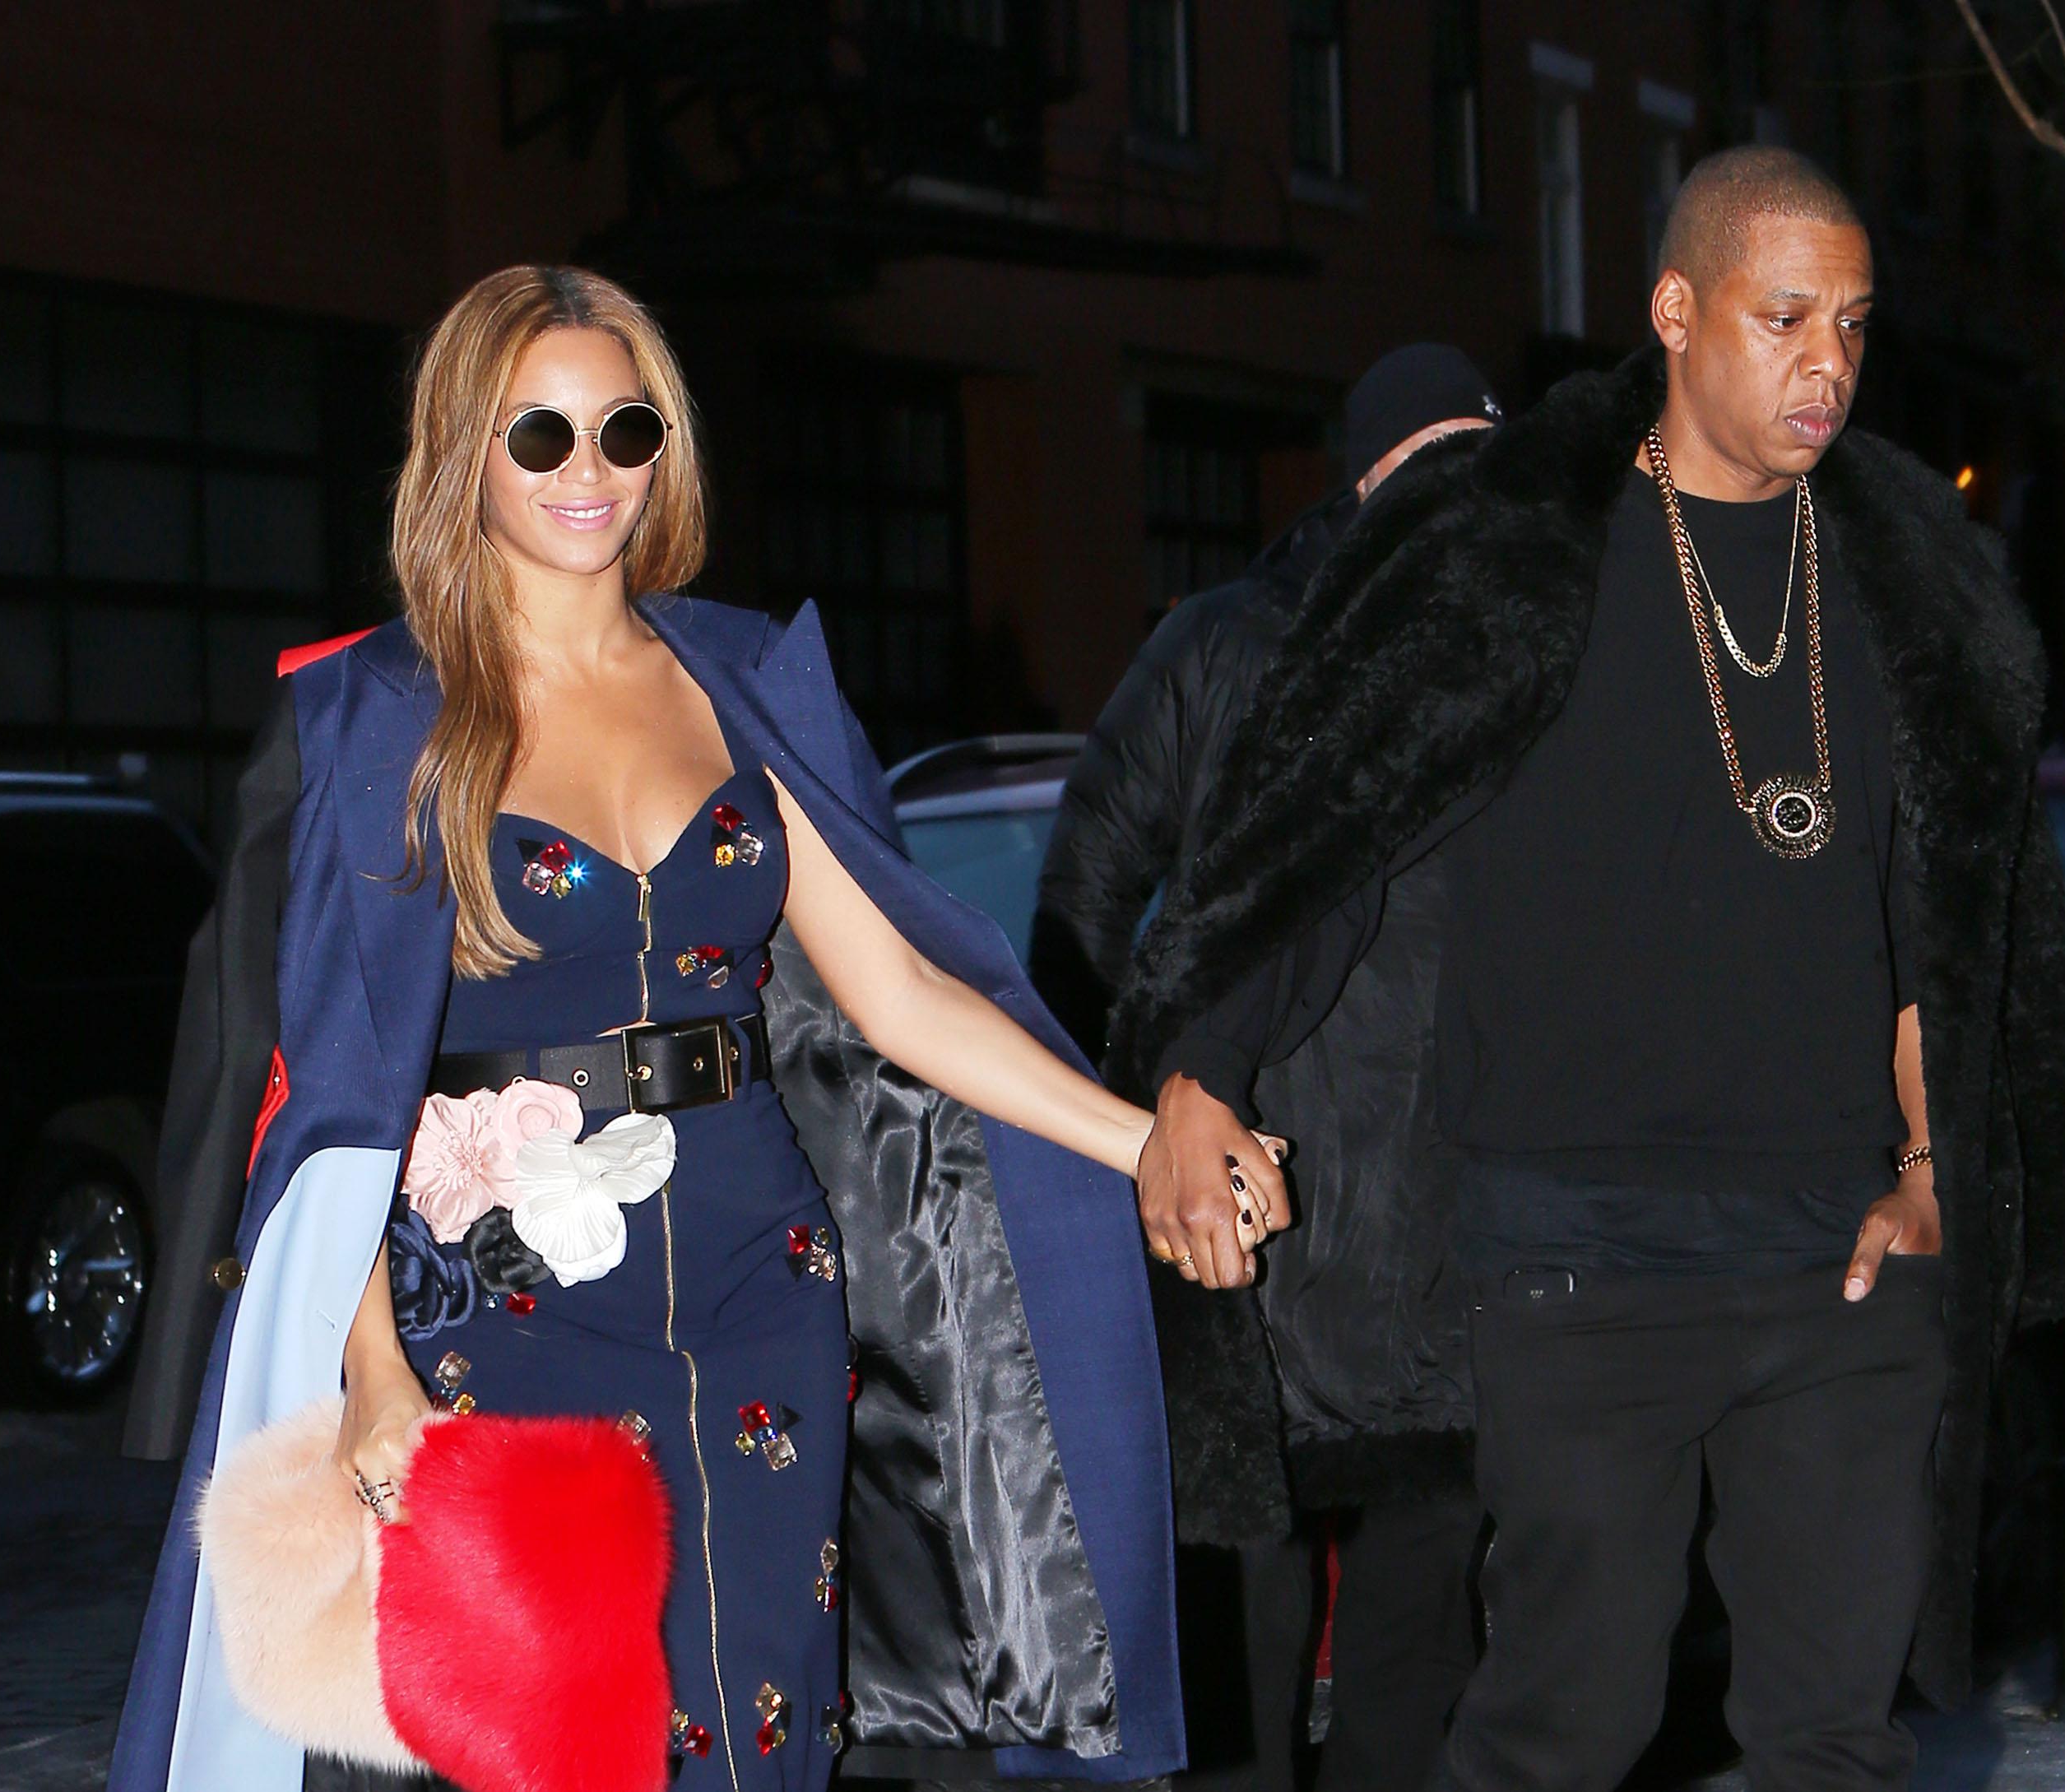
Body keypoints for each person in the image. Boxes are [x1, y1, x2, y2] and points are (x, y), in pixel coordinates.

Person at [111, 265, 1260, 1792]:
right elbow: (320, 1099)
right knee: (558, 1740)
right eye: (542, 438)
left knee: (756, 1715)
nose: (591, 474)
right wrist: (368, 1368)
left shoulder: (744, 678)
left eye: (625, 429)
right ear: (464, 452)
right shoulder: (388, 719)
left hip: (756, 1275)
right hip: (505, 1315)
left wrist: (1148, 1142)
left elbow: (904, 991)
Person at [1115, 147, 2065, 1792]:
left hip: (1842, 1262)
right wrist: (1201, 1077)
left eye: (1854, 324)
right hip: (1579, 1255)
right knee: (1565, 1730)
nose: (1828, 364)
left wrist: (1934, 1173)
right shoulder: (1514, 548)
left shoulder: (1903, 575)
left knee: (1834, 1742)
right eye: (1785, 316)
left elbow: (1954, 914)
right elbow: (1325, 825)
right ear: (1673, 309)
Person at [1029, 345, 1501, 1792]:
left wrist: (1118, 1131)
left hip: (1291, 1225)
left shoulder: (1227, 643)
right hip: (1357, 1218)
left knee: (1284, 1632)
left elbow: (1081, 905)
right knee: (1360, 1639)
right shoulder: (1485, 641)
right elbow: (1085, 906)